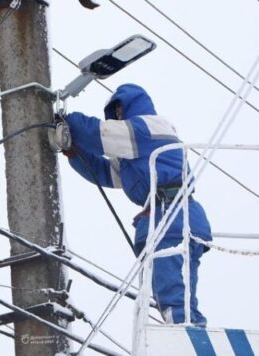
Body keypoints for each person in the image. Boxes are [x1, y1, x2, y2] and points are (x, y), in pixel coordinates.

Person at [58, 83, 212, 325]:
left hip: (173, 216)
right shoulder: (139, 153)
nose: (118, 115)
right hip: (171, 217)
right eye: (115, 111)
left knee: (173, 294)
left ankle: (188, 339)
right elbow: (104, 172)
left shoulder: (148, 128)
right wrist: (75, 153)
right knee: (174, 293)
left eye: (120, 109)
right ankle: (190, 334)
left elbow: (98, 134)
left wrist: (64, 119)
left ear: (133, 105)